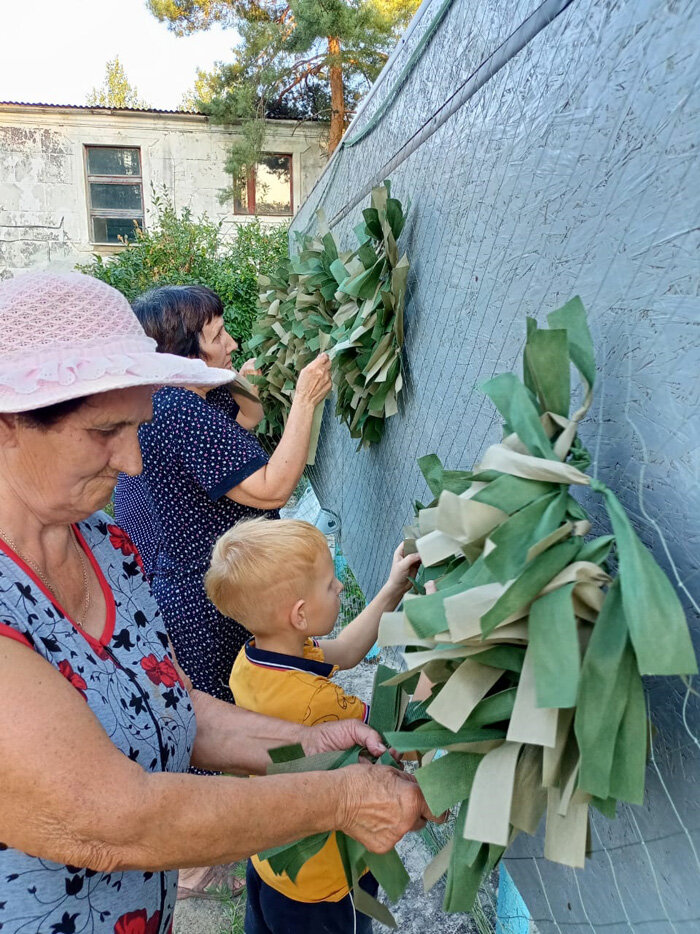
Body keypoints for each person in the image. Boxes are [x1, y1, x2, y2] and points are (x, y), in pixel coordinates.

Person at [0, 271, 435, 934]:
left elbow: (170, 705)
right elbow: (116, 823)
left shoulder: (103, 544)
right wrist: (339, 795)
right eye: (104, 431)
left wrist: (307, 740)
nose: (132, 462)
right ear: (9, 424)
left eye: (135, 427)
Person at [114, 286, 330, 712]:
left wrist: (232, 376)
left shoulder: (191, 395)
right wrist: (304, 400)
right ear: (185, 360)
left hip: (217, 586)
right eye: (218, 337)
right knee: (237, 717)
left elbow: (250, 417)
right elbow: (271, 489)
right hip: (209, 606)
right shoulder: (178, 409)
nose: (232, 342)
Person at [205, 516, 422, 934]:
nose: (340, 585)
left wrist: (394, 587)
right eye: (329, 582)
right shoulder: (315, 704)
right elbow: (395, 742)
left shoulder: (254, 658)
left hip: (271, 865)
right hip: (325, 885)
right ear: (300, 615)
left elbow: (346, 649)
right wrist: (441, 644)